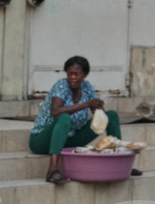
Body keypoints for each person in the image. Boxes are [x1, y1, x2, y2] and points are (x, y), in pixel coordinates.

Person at [28, 56, 140, 184]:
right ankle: (53, 169)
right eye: (70, 74)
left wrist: (98, 108)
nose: (73, 77)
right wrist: (86, 104)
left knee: (112, 116)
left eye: (77, 74)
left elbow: (99, 116)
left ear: (84, 75)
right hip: (42, 141)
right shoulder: (62, 85)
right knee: (64, 117)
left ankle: (121, 165)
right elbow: (55, 111)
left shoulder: (87, 87)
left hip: (70, 139)